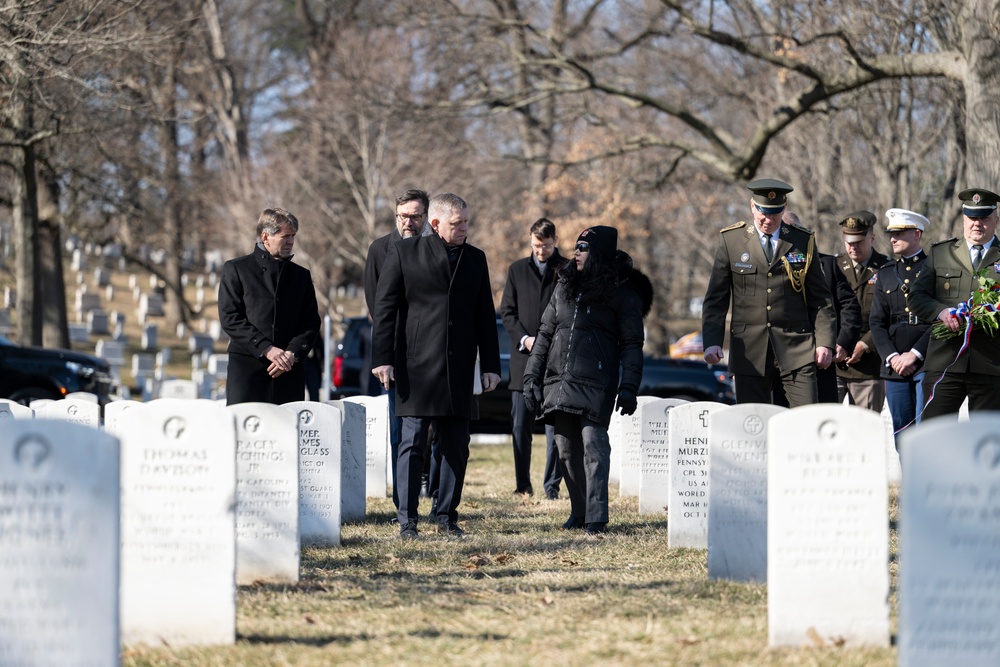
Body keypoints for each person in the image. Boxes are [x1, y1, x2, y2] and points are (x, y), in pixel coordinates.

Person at [371, 193, 501, 539]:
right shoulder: (404, 253)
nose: (464, 229)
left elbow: (485, 315)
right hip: (416, 366)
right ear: (435, 224)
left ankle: (446, 517)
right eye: (457, 223)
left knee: (456, 444)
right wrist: (382, 358)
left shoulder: (476, 258)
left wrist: (490, 365)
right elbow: (385, 309)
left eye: (466, 222)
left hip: (459, 368)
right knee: (412, 444)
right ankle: (407, 520)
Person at [522, 226, 652, 535]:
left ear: (600, 255)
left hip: (597, 382)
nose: (576, 253)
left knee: (594, 445)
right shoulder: (564, 286)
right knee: (565, 450)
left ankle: (596, 517)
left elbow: (632, 344)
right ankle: (579, 512)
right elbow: (544, 334)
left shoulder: (621, 292)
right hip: (559, 382)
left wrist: (629, 386)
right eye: (577, 247)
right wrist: (531, 376)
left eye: (584, 249)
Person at [702, 179, 836, 407]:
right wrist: (712, 341)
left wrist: (825, 342)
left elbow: (821, 300)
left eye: (775, 213)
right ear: (752, 206)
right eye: (763, 212)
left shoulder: (802, 240)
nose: (768, 219)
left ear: (784, 209)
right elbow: (717, 298)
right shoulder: (731, 240)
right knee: (753, 425)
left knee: (806, 420)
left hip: (796, 348)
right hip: (749, 350)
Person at [908, 188, 1000, 418]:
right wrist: (941, 312)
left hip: (991, 362)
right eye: (972, 218)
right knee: (935, 435)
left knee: (986, 441)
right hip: (945, 362)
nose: (977, 224)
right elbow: (916, 296)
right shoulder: (941, 253)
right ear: (963, 220)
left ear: (996, 220)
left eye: (984, 218)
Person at [364, 189, 429, 512]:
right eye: (403, 216)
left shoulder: (436, 248)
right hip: (396, 353)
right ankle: (403, 504)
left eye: (415, 216)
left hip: (431, 351)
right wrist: (383, 358)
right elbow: (378, 308)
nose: (408, 222)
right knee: (398, 430)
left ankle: (428, 487)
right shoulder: (380, 250)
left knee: (430, 431)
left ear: (426, 217)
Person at [218, 207, 320, 405]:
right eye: (285, 236)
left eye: (293, 236)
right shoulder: (237, 269)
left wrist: (291, 354)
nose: (291, 241)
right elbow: (230, 317)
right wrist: (267, 349)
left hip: (288, 372)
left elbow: (310, 321)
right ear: (266, 237)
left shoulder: (301, 276)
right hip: (248, 370)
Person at [500, 218, 567, 499]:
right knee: (520, 426)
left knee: (556, 429)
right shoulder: (516, 270)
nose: (541, 252)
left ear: (555, 242)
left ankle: (551, 487)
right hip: (523, 360)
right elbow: (507, 312)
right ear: (530, 241)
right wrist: (525, 339)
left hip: (555, 363)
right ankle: (522, 484)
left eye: (547, 246)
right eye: (537, 246)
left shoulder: (565, 270)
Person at [783, 211, 862, 403]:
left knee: (820, 416)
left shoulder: (826, 264)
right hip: (780, 356)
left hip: (819, 358)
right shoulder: (765, 266)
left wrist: (842, 343)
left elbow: (850, 306)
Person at [869, 208, 932, 437]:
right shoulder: (885, 273)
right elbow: (876, 322)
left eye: (899, 233)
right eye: (891, 234)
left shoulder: (934, 269)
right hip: (894, 366)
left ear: (917, 234)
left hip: (926, 362)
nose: (893, 238)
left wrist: (915, 354)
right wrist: (893, 357)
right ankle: (908, 474)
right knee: (902, 433)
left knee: (925, 431)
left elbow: (941, 319)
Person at [834, 211, 891, 411]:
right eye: (848, 241)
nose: (853, 246)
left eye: (858, 240)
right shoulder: (832, 267)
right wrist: (838, 343)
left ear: (872, 237)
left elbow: (891, 315)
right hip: (835, 364)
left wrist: (865, 344)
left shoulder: (887, 268)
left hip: (869, 367)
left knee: (865, 435)